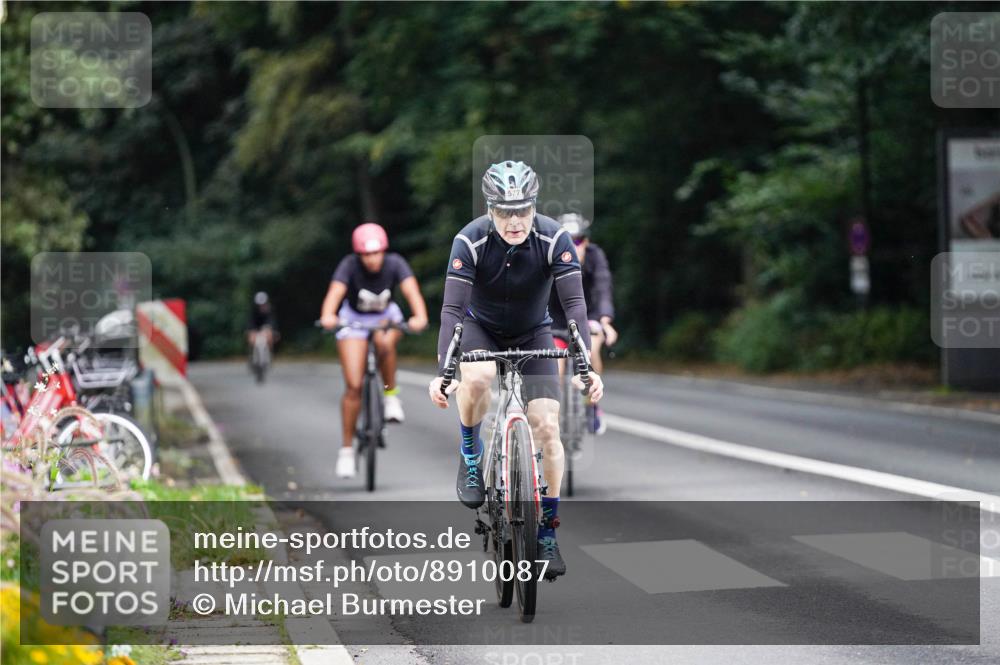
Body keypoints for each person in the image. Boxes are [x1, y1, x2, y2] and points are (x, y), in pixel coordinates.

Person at [427, 160, 604, 580]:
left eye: (522, 210)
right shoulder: (468, 241)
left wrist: (585, 366)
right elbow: (452, 311)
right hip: (479, 329)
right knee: (480, 376)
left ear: (534, 206)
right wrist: (444, 371)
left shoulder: (553, 237)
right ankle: (471, 452)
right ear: (490, 209)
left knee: (547, 426)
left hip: (533, 332)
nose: (514, 221)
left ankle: (547, 533)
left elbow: (576, 308)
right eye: (505, 212)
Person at [320, 222, 429, 478]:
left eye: (376, 252)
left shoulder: (395, 263)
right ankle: (346, 451)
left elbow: (412, 291)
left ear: (384, 251)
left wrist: (419, 316)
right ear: (359, 255)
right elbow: (335, 294)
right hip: (353, 321)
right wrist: (327, 315)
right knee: (354, 386)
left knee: (383, 342)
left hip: (385, 319)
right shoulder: (349, 265)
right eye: (367, 254)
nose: (372, 259)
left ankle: (391, 396)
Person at [547, 213, 617, 434]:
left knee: (592, 349)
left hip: (589, 315)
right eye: (567, 241)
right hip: (556, 319)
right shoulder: (549, 258)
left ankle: (591, 404)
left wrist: (605, 321)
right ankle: (553, 420)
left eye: (577, 241)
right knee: (554, 364)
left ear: (585, 242)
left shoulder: (595, 256)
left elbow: (602, 287)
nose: (573, 246)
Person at [247, 291, 277, 361]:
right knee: (251, 339)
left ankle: (270, 354)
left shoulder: (270, 311)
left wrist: (272, 330)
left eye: (263, 304)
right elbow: (250, 322)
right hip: (255, 328)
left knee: (270, 336)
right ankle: (251, 355)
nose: (261, 306)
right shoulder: (253, 311)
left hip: (266, 328)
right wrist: (251, 330)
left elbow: (272, 322)